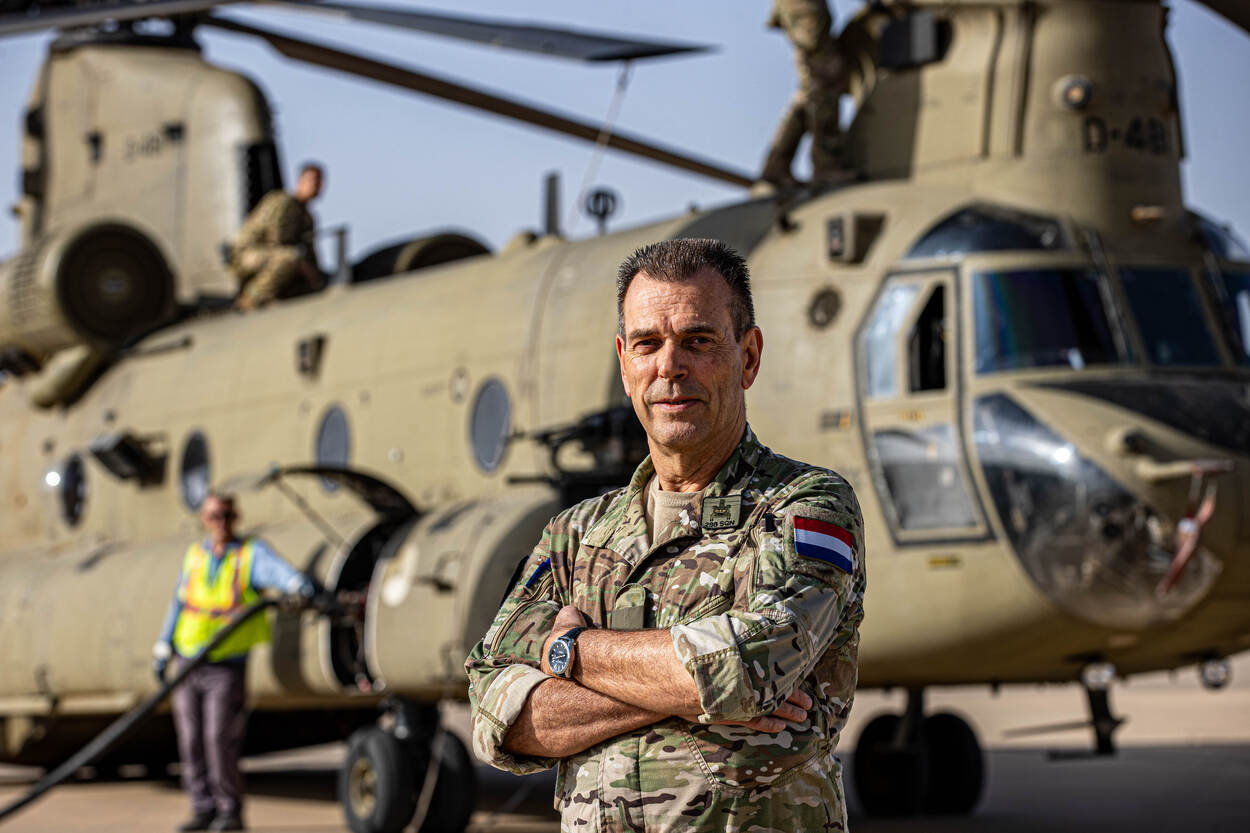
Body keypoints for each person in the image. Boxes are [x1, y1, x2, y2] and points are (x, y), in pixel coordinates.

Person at [466, 238, 866, 831]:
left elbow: (747, 668)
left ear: (749, 357)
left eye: (698, 341)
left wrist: (569, 651)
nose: (670, 366)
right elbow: (493, 714)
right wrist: (685, 691)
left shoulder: (805, 506)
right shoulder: (574, 535)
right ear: (625, 363)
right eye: (647, 344)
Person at [152, 493, 314, 832]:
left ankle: (229, 811)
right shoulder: (195, 556)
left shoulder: (249, 554)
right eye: (214, 516)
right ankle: (202, 808)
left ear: (235, 517)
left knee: (218, 738)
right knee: (190, 739)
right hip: (187, 660)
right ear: (203, 520)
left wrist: (299, 585)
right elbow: (179, 602)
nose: (220, 522)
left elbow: (279, 573)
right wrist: (164, 644)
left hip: (225, 665)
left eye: (226, 515)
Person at [761, 0, 850, 187]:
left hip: (802, 10)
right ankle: (826, 166)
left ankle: (776, 167)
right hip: (805, 10)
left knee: (810, 93)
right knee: (823, 83)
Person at [230, 163, 326, 311]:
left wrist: (315, 275)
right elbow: (275, 242)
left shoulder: (307, 217)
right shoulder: (283, 203)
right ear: (300, 182)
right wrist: (302, 265)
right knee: (290, 258)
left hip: (270, 257)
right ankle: (250, 299)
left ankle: (276, 297)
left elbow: (310, 253)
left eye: (319, 182)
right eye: (312, 180)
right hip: (246, 255)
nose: (316, 186)